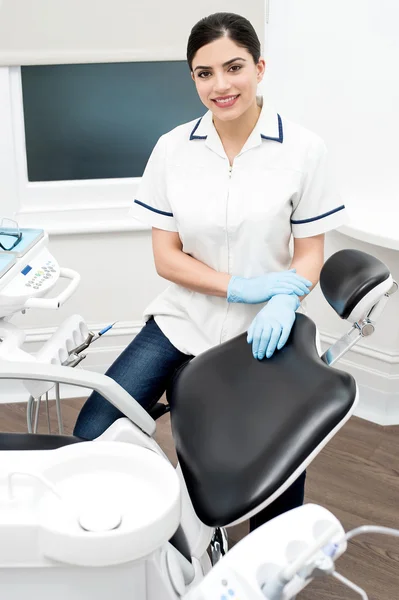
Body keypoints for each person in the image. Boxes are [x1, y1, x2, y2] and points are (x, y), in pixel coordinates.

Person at [74, 12, 346, 531]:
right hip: (182, 319)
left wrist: (281, 298)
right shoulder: (172, 149)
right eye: (204, 73)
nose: (220, 85)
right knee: (93, 430)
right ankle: (154, 530)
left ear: (259, 67)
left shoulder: (304, 151)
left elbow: (310, 252)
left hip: (262, 330)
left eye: (234, 67)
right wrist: (238, 285)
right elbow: (166, 257)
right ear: (193, 78)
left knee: (275, 476)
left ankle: (271, 567)